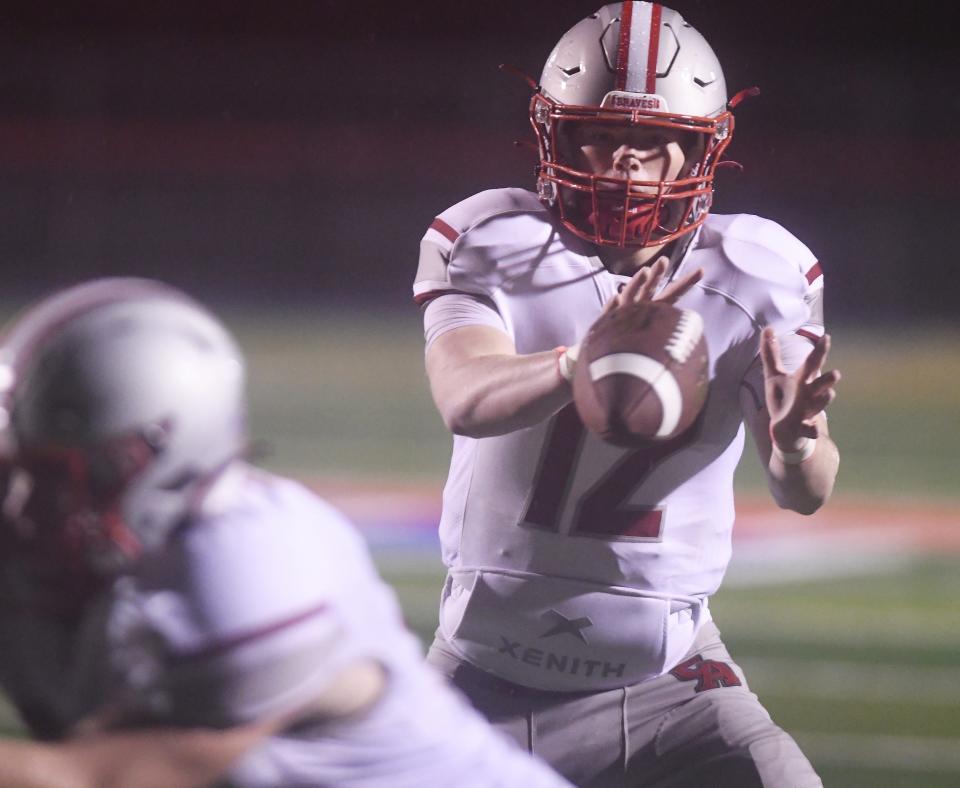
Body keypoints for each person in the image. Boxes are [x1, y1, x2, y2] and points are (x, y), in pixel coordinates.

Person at [414, 3, 839, 786]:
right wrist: (582, 360)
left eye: (654, 143)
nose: (625, 164)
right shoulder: (489, 241)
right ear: (555, 135)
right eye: (600, 137)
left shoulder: (759, 272)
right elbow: (464, 397)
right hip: (481, 683)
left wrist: (798, 438)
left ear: (701, 149)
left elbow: (805, 494)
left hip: (671, 687)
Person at [0, 278, 571, 788]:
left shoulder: (251, 564)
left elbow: (100, 776)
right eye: (18, 469)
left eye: (58, 477)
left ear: (160, 458)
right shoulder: (77, 543)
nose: (23, 502)